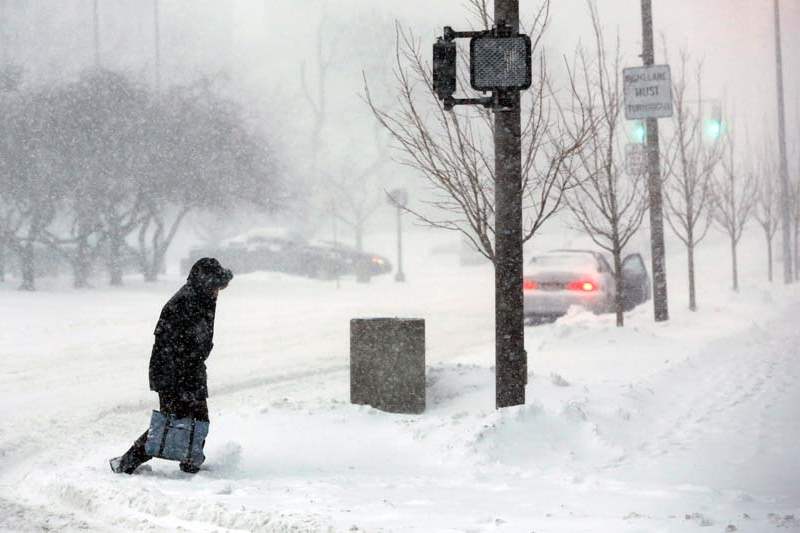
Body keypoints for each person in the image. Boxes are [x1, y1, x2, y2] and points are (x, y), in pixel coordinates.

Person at [110, 258, 233, 475]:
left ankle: (190, 463)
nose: (218, 292)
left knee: (196, 420)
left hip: (187, 371)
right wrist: (182, 374)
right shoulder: (186, 302)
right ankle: (126, 462)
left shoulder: (201, 298)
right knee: (171, 422)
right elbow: (173, 344)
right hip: (174, 373)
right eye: (216, 286)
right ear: (206, 283)